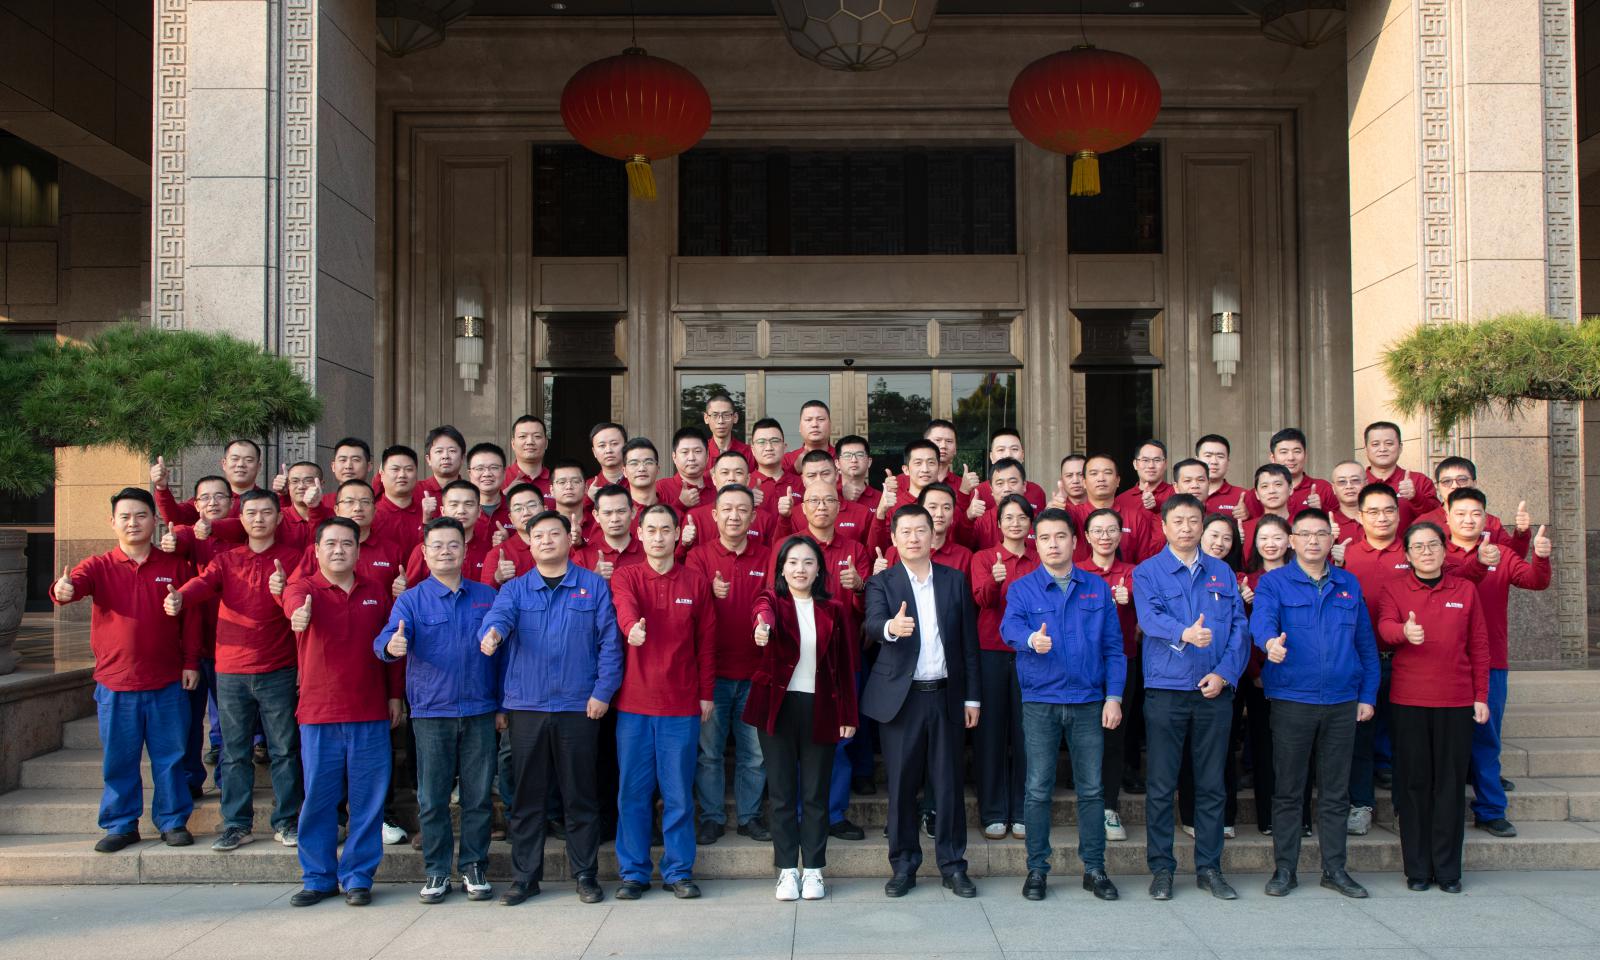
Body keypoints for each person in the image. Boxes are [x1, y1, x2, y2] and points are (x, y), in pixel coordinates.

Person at [479, 510, 622, 906]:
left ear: (568, 538)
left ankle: (585, 874)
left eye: (554, 534)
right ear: (529, 542)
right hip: (527, 706)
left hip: (579, 706)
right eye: (538, 535)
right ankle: (525, 877)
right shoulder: (515, 590)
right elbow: (497, 619)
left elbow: (610, 644)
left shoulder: (592, 587)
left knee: (580, 795)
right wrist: (491, 634)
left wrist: (603, 692)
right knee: (528, 798)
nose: (546, 541)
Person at [54, 487, 201, 852]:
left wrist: (190, 662)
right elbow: (72, 587)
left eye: (140, 515)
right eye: (125, 516)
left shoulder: (176, 566)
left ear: (155, 520)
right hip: (116, 682)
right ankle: (121, 824)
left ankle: (172, 821)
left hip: (167, 681)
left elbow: (192, 618)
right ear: (112, 522)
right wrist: (62, 588)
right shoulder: (98, 565)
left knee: (170, 757)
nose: (133, 523)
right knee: (119, 759)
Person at [1248, 509, 1379, 899]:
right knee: (1288, 790)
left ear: (1331, 539)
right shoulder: (1274, 582)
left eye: (1320, 534)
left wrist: (1368, 695)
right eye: (1304, 534)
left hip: (1342, 701)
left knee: (1336, 792)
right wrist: (1268, 644)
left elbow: (1365, 645)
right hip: (1293, 699)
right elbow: (1261, 622)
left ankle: (1334, 869)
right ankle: (1285, 869)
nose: (1312, 541)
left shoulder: (1348, 583)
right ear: (1292, 541)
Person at [167, 488, 305, 852]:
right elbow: (203, 584)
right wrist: (181, 596)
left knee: (284, 750)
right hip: (231, 669)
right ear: (240, 519)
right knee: (234, 752)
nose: (259, 519)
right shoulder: (227, 559)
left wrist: (284, 589)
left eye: (266, 512)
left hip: (279, 667)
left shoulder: (294, 558)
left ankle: (287, 821)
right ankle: (236, 824)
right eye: (251, 513)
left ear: (279, 517)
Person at [1001, 508, 1125, 902]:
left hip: (1088, 701)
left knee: (1092, 790)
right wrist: (1029, 640)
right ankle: (1037, 869)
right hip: (1041, 700)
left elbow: (1114, 649)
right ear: (1035, 544)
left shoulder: (1097, 588)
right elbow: (1008, 628)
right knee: (1038, 788)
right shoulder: (1023, 588)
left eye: (1060, 536)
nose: (1052, 544)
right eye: (1044, 538)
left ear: (1075, 541)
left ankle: (1095, 869)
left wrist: (1114, 697)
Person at [1132, 493, 1249, 901]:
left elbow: (1239, 629)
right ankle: (1162, 869)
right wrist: (1183, 632)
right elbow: (1149, 618)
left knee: (1212, 784)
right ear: (1164, 526)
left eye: (1193, 521)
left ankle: (1210, 868)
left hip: (1213, 692)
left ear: (1203, 525)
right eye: (1178, 521)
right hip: (1166, 690)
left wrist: (1225, 674)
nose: (1186, 528)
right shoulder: (1148, 572)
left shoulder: (1222, 572)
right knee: (1162, 785)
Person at [379, 517, 501, 904]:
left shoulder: (487, 596)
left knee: (477, 797)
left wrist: (502, 705)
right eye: (437, 545)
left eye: (453, 545)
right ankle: (436, 870)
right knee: (432, 799)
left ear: (465, 551)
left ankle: (474, 865)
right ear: (425, 552)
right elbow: (387, 637)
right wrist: (391, 647)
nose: (445, 552)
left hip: (480, 710)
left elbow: (505, 654)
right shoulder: (411, 600)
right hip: (432, 713)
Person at [281, 518, 402, 907]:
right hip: (320, 713)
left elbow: (391, 645)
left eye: (347, 543)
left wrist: (395, 696)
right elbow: (292, 605)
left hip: (370, 711)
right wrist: (298, 615)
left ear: (357, 549)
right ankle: (318, 877)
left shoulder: (376, 591)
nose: (338, 550)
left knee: (368, 801)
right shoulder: (304, 588)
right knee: (319, 798)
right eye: (330, 543)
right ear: (316, 550)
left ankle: (358, 877)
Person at [863, 504, 981, 899]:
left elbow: (968, 644)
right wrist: (891, 627)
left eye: (920, 530)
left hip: (946, 696)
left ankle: (953, 865)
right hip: (902, 701)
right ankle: (903, 865)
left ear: (933, 535)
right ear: (893, 538)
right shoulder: (882, 582)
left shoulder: (954, 580)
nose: (913, 538)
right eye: (906, 532)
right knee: (901, 787)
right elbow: (872, 624)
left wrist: (973, 698)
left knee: (948, 786)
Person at [609, 504, 717, 900]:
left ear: (676, 534)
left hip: (681, 705)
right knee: (632, 793)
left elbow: (707, 643)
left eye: (665, 530)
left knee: (678, 794)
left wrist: (706, 694)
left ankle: (678, 871)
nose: (658, 537)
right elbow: (625, 607)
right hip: (634, 705)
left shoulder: (695, 581)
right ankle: (633, 872)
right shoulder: (626, 575)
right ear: (639, 534)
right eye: (650, 529)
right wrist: (631, 630)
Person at [1375, 522, 1490, 894]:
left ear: (1444, 550)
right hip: (1409, 701)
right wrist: (1403, 633)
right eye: (1418, 547)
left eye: (1433, 545)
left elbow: (1479, 646)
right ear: (1407, 555)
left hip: (1456, 701)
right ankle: (1418, 869)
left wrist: (1481, 695)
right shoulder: (1395, 589)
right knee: (1414, 785)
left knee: (1450, 786)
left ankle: (1448, 870)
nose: (1426, 552)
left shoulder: (1465, 590)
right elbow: (1384, 628)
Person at [747, 536, 860, 901]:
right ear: (782, 568)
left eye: (808, 562)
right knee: (781, 794)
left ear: (818, 570)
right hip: (778, 708)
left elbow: (844, 666)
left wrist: (848, 714)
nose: (800, 569)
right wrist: (762, 627)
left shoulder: (833, 610)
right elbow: (761, 612)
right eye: (793, 562)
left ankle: (813, 869)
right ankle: (786, 871)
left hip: (821, 708)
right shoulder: (771, 602)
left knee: (815, 794)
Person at [1442, 488, 1552, 839]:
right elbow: (1456, 580)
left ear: (1486, 518)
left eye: (1476, 513)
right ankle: (1440, 813)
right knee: (1441, 743)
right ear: (1447, 516)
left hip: (1491, 662)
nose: (1468, 520)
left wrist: (1540, 556)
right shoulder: (1436, 552)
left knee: (1486, 738)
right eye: (1460, 513)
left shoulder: (1502, 554)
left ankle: (1490, 810)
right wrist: (1478, 562)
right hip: (1443, 663)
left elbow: (1535, 581)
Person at [686, 485, 774, 846]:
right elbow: (687, 609)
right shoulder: (698, 557)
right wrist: (709, 591)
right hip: (713, 674)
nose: (734, 516)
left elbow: (773, 600)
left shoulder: (767, 556)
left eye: (742, 510)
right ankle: (711, 818)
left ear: (753, 517)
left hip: (756, 672)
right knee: (710, 753)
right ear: (714, 515)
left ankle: (750, 817)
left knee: (755, 753)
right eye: (727, 509)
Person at [157, 475, 234, 796]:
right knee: (187, 721)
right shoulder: (190, 533)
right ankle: (190, 780)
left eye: (220, 496)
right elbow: (177, 536)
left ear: (232, 501)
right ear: (196, 504)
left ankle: (228, 783)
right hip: (194, 645)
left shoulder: (242, 534)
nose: (213, 503)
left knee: (231, 723)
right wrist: (172, 539)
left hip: (231, 648)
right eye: (205, 498)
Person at [1342, 482, 1412, 835]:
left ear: (1399, 514)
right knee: (1360, 737)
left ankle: (1407, 809)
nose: (1382, 518)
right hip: (1360, 661)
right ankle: (1361, 805)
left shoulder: (1414, 551)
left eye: (1389, 510)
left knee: (1407, 739)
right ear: (1359, 516)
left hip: (1408, 660)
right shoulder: (1345, 555)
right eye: (1373, 511)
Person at [969, 494, 1038, 840]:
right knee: (991, 733)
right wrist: (995, 580)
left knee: (1028, 733)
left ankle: (1024, 810)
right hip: (991, 652)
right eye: (1008, 517)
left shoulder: (1040, 558)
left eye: (1021, 517)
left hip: (1032, 654)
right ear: (998, 524)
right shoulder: (983, 558)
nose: (1015, 523)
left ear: (1030, 523)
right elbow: (982, 600)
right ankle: (993, 810)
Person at [1237, 513, 1311, 838]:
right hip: (1260, 678)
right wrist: (1257, 671)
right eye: (1263, 538)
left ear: (1290, 541)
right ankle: (1268, 817)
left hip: (1301, 678)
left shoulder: (1304, 576)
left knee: (1299, 749)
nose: (1271, 544)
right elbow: (1243, 632)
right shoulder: (1246, 581)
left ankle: (1302, 817)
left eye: (1277, 537)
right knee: (1266, 748)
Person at [1179, 513, 1245, 840]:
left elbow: (1239, 629)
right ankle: (1191, 816)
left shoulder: (1229, 576)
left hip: (1224, 676)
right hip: (1183, 676)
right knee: (1189, 750)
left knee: (1222, 750)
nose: (1219, 543)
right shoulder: (1180, 573)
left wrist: (1224, 673)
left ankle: (1225, 816)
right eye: (1214, 535)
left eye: (1227, 538)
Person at [1077, 507, 1141, 834]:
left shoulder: (1134, 573)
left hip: (1122, 663)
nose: (1105, 536)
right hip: (1082, 667)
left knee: (1114, 737)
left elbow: (1150, 618)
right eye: (1098, 531)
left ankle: (1109, 808)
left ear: (1120, 535)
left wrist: (1132, 602)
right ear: (1087, 537)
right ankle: (1086, 804)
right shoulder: (1076, 571)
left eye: (1111, 530)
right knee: (1083, 737)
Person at [1421, 457, 1532, 556]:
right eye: (1446, 481)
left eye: (1462, 480)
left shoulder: (1492, 523)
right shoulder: (1424, 522)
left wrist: (1521, 533)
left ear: (1474, 483)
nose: (1455, 486)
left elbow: (1514, 557)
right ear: (1437, 486)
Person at [1071, 454, 1163, 563]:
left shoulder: (1135, 518)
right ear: (1084, 482)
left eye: (1107, 473)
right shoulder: (1073, 514)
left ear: (1118, 481)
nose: (1101, 479)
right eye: (1094, 473)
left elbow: (1143, 563)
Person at [151, 438, 263, 524]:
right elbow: (175, 518)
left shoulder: (266, 501)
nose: (240, 464)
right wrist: (162, 488)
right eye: (235, 459)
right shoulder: (206, 500)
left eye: (248, 460)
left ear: (258, 466)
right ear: (224, 464)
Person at [404, 480, 493, 585]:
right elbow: (411, 590)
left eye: (468, 504)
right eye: (454, 505)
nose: (461, 511)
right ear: (442, 511)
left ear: (479, 511)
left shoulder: (489, 551)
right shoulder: (425, 550)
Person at [1241, 428, 1334, 519]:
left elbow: (1339, 523)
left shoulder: (1323, 488)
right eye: (1284, 452)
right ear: (1272, 458)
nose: (1291, 458)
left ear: (1305, 456)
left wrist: (1322, 510)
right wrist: (1246, 516)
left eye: (1297, 451)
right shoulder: (1256, 495)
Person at [1363, 421, 1440, 521]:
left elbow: (1437, 518)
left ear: (1400, 448)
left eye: (1389, 443)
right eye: (1375, 444)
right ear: (1366, 449)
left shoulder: (1419, 481)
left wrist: (1416, 497)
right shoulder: (1355, 483)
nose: (1382, 449)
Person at [483, 484, 550, 587]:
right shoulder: (498, 554)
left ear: (545, 509)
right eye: (518, 508)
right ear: (510, 518)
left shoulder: (559, 544)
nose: (526, 513)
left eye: (532, 505)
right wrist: (497, 578)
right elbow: (485, 594)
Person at [573, 484, 644, 576]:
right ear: (596, 516)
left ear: (633, 512)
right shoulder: (582, 557)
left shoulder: (648, 552)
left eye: (621, 511)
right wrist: (595, 578)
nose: (615, 519)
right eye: (607, 513)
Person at [374, 444, 424, 551]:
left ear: (416, 474)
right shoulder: (371, 515)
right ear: (381, 475)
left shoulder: (426, 515)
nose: (402, 475)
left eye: (409, 469)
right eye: (395, 469)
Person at [1240, 464, 1293, 563]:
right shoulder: (1244, 529)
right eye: (1265, 486)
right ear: (1257, 494)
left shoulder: (1301, 525)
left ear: (1290, 489)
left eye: (1278, 484)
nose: (1271, 491)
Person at [986, 428, 1048, 511]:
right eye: (1001, 450)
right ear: (991, 457)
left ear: (1022, 455)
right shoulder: (979, 492)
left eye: (1014, 449)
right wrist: (969, 515)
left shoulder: (1037, 491)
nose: (1008, 454)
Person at [658, 427, 715, 512]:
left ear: (707, 456)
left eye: (697, 451)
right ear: (674, 457)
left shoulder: (717, 487)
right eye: (685, 452)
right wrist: (680, 504)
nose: (691, 458)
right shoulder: (661, 488)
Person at [1115, 440, 1173, 518]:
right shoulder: (1121, 500)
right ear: (1135, 464)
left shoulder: (1176, 493)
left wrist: (1158, 505)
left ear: (1165, 464)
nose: (1151, 466)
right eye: (1145, 460)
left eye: (1157, 460)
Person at [417, 425, 467, 511]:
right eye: (439, 451)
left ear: (462, 458)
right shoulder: (415, 490)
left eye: (452, 451)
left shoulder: (471, 492)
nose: (445, 456)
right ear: (428, 459)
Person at [464, 442, 510, 534]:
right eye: (479, 468)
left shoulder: (516, 508)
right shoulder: (458, 510)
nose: (487, 474)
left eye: (494, 467)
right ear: (470, 474)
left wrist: (509, 541)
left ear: (504, 472)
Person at [1196, 435, 1246, 515]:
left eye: (1220, 456)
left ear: (1228, 462)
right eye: (1208, 456)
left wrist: (1249, 516)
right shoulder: (1181, 492)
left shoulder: (1243, 496)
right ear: (1197, 460)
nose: (1214, 462)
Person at [781, 399, 835, 474]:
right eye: (808, 420)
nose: (814, 424)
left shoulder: (842, 457)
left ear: (830, 426)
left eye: (820, 419)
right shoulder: (787, 459)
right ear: (800, 427)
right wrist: (794, 469)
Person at [703, 392, 753, 467]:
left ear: (735, 417)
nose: (720, 421)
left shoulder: (748, 452)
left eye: (726, 415)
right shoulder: (700, 451)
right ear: (706, 418)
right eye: (715, 415)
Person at [505, 415, 551, 494]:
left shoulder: (557, 479)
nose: (530, 442)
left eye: (537, 436)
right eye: (522, 436)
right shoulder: (499, 479)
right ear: (513, 444)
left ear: (546, 443)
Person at [837, 434, 881, 514]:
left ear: (869, 462)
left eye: (860, 455)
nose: (854, 460)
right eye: (847, 455)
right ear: (837, 463)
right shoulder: (831, 496)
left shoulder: (881, 499)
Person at [586, 421, 628, 497]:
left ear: (626, 447)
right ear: (594, 452)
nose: (608, 450)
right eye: (602, 445)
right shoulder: (587, 487)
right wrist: (589, 499)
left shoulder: (638, 481)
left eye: (614, 444)